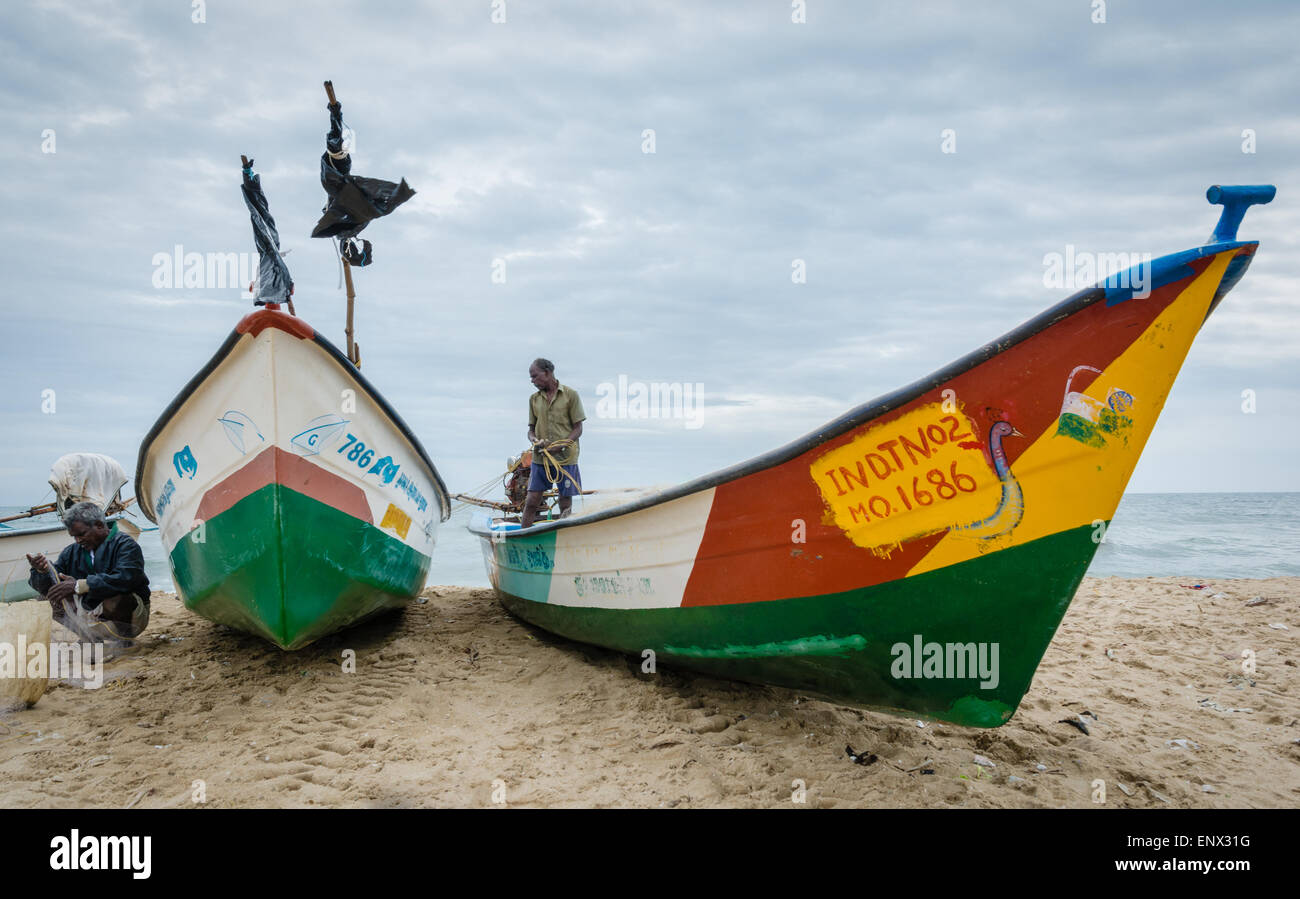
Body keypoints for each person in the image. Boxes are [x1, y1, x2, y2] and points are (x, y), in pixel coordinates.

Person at [25, 502, 150, 644]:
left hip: (133, 617)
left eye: (82, 534)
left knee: (115, 597)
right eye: (74, 537)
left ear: (99, 525)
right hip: (91, 611)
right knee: (47, 598)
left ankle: (123, 640)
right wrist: (42, 570)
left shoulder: (125, 544)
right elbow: (49, 585)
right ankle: (90, 637)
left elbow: (127, 578)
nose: (78, 541)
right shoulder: (71, 552)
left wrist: (79, 585)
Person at [522, 358, 586, 528]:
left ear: (547, 373)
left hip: (565, 458)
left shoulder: (570, 395)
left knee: (565, 503)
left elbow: (578, 428)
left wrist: (562, 445)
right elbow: (530, 430)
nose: (532, 381)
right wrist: (534, 440)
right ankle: (523, 536)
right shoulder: (534, 399)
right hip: (541, 458)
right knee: (531, 501)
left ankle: (564, 539)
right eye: (531, 378)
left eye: (535, 376)